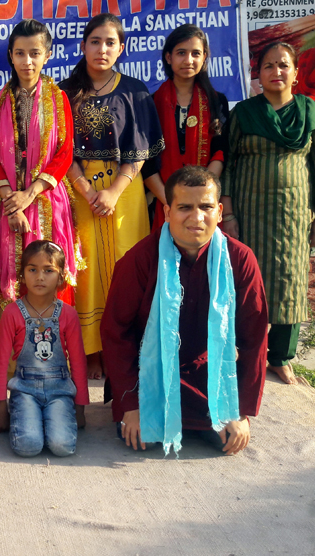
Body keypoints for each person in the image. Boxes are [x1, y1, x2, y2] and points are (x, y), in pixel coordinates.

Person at [102, 166, 268, 456]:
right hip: (150, 377)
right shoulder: (140, 260)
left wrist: (239, 411)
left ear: (218, 211)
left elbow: (253, 337)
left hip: (209, 377)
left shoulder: (240, 259)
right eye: (184, 207)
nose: (196, 217)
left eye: (205, 207)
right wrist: (131, 406)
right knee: (145, 438)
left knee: (226, 440)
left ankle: (205, 415)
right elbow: (117, 333)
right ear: (167, 212)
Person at [221, 42, 315, 385]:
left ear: (296, 73)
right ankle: (244, 351)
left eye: (283, 65)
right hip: (249, 211)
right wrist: (227, 213)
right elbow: (228, 164)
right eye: (268, 66)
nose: (276, 72)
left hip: (294, 215)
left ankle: (281, 356)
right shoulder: (244, 113)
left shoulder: (311, 114)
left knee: (290, 281)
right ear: (258, 74)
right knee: (244, 282)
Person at [59, 13, 165, 379]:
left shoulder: (135, 91)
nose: (101, 49)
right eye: (94, 41)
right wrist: (87, 190)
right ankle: (87, 351)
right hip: (79, 189)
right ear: (83, 45)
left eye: (110, 43)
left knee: (125, 266)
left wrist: (114, 192)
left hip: (125, 190)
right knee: (84, 268)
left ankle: (122, 348)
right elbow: (59, 150)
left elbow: (142, 152)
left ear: (122, 48)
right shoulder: (65, 92)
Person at [0, 19, 82, 312]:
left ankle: (53, 351)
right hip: (7, 201)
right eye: (20, 53)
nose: (28, 61)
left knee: (49, 271)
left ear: (47, 55)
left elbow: (64, 153)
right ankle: (15, 354)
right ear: (11, 55)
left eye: (35, 53)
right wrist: (13, 206)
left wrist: (30, 194)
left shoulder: (59, 99)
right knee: (15, 277)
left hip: (47, 201)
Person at [0, 240, 89, 457]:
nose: (40, 277)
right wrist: (0, 409)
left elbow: (79, 363)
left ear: (61, 277)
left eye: (48, 270)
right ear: (23, 274)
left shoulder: (68, 314)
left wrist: (80, 408)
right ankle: (30, 419)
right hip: (24, 390)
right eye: (32, 269)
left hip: (60, 391)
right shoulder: (12, 313)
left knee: (62, 446)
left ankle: (51, 418)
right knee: (28, 446)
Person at [147, 24, 229, 230]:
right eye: (181, 53)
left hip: (204, 202)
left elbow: (220, 152)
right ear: (168, 57)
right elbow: (146, 160)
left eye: (195, 53)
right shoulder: (150, 103)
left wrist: (200, 194)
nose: (188, 60)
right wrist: (172, 201)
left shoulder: (217, 101)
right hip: (162, 201)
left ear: (204, 58)